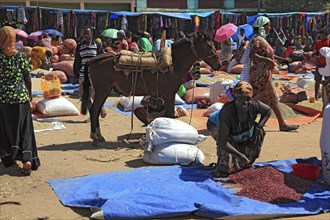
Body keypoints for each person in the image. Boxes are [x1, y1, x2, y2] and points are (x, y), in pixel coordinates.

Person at [240, 16, 298, 132]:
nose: (270, 27)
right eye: (268, 25)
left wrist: (282, 59)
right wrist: (267, 61)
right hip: (259, 75)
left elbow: (268, 54)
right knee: (272, 98)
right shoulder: (257, 40)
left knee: (258, 99)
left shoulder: (261, 39)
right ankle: (281, 124)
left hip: (264, 74)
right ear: (262, 26)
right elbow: (252, 55)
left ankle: (247, 123)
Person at [207, 81, 271, 178]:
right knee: (228, 140)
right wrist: (239, 155)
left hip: (239, 128)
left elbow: (268, 111)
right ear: (235, 98)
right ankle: (222, 168)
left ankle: (245, 161)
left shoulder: (254, 105)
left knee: (259, 132)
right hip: (214, 124)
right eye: (241, 99)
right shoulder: (227, 113)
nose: (245, 103)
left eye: (248, 99)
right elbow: (222, 142)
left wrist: (259, 126)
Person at [0, 26, 40, 175]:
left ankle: (9, 157)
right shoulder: (22, 57)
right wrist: (29, 96)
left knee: (6, 129)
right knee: (25, 129)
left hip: (3, 99)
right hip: (21, 98)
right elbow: (27, 79)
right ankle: (27, 160)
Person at [73, 27, 106, 120]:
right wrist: (76, 75)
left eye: (88, 33)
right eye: (85, 34)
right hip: (84, 75)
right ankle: (93, 114)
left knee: (96, 95)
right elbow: (77, 61)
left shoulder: (98, 46)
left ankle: (101, 108)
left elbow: (102, 59)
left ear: (92, 34)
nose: (86, 36)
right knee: (84, 96)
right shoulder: (80, 46)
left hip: (95, 76)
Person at [312, 28, 330, 100]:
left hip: (327, 65)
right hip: (319, 64)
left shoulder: (329, 43)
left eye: (323, 36)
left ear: (327, 35)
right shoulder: (318, 43)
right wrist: (318, 57)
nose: (321, 37)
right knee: (317, 81)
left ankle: (327, 96)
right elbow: (314, 54)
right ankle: (316, 95)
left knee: (327, 81)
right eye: (320, 35)